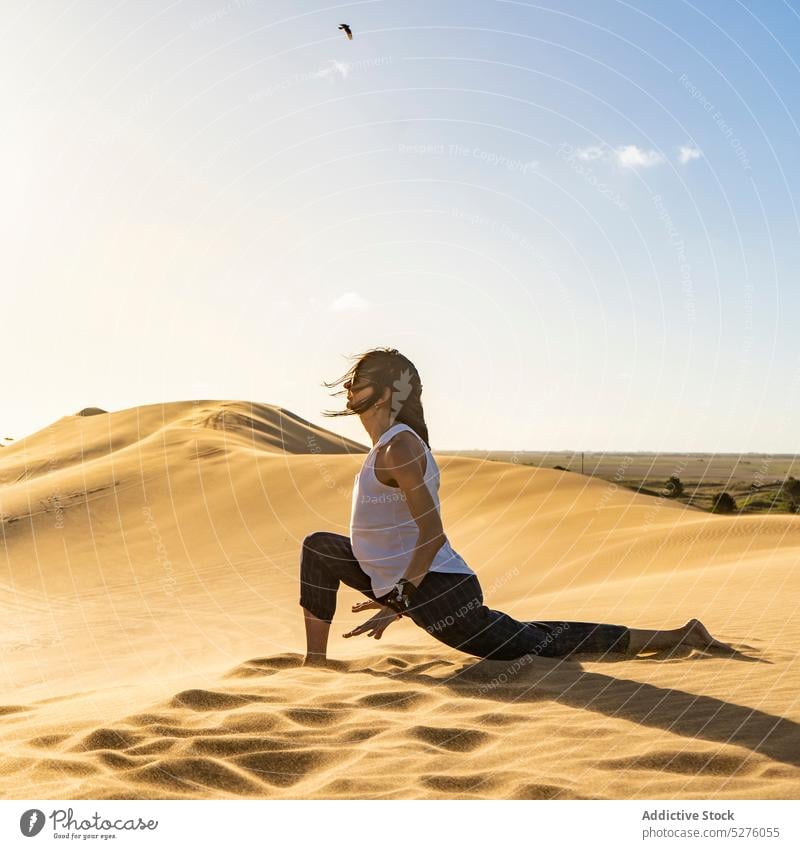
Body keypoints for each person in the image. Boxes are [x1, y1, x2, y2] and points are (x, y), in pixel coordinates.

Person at [299, 347, 735, 667]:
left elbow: (432, 535)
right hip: (402, 582)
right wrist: (396, 596)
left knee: (536, 643)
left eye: (358, 379)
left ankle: (677, 635)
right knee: (319, 548)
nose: (348, 387)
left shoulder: (401, 450)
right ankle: (315, 664)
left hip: (440, 590)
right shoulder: (385, 448)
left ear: (385, 391)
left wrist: (400, 600)